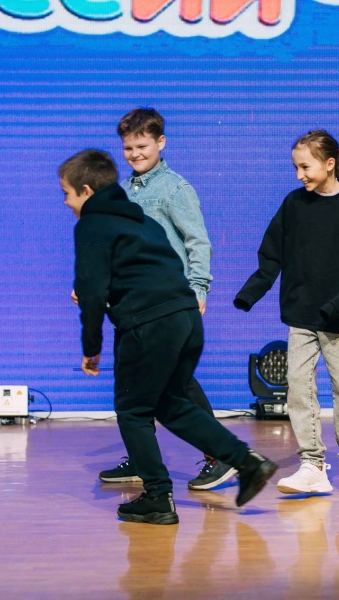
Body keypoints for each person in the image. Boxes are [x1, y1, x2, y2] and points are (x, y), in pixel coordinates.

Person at [60, 149, 276, 524]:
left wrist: (91, 347)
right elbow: (157, 270)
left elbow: (92, 292)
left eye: (67, 193)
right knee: (170, 404)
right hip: (186, 320)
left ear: (87, 191)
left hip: (150, 326)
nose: (66, 202)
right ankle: (247, 462)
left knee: (133, 410)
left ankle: (158, 497)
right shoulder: (141, 220)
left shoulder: (92, 224)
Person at [234, 130, 339, 495]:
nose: (299, 175)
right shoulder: (293, 204)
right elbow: (272, 252)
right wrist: (251, 292)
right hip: (302, 315)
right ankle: (312, 464)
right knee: (299, 388)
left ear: (329, 164)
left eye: (305, 167)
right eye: (296, 168)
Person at [98, 107, 236, 491]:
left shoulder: (174, 189)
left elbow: (197, 242)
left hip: (168, 303)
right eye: (128, 147)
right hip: (132, 305)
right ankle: (143, 458)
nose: (134, 154)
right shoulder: (122, 191)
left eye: (142, 146)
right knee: (134, 383)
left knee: (177, 382)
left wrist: (198, 289)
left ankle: (221, 455)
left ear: (161, 142)